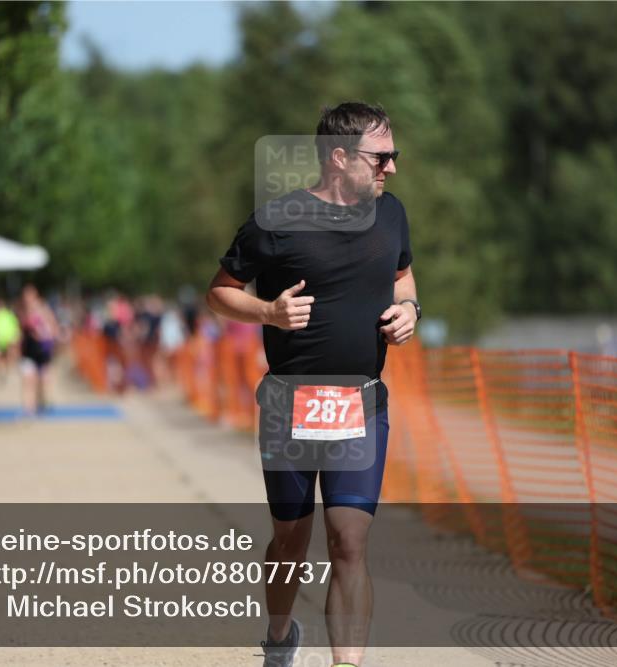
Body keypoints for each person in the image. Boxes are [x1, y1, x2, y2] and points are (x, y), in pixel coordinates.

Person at [206, 103, 418, 667]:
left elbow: (402, 276)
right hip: (288, 407)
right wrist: (268, 313)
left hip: (361, 405)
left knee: (349, 541)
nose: (392, 168)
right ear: (340, 158)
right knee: (291, 544)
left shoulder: (391, 215)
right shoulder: (276, 221)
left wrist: (410, 310)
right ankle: (279, 638)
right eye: (382, 157)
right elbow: (219, 292)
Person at [18, 284, 59, 415]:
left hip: (42, 349)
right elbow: (19, 330)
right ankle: (29, 408)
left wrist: (46, 336)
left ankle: (41, 402)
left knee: (43, 379)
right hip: (28, 350)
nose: (27, 298)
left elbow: (53, 327)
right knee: (28, 379)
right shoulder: (22, 311)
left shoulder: (43, 309)